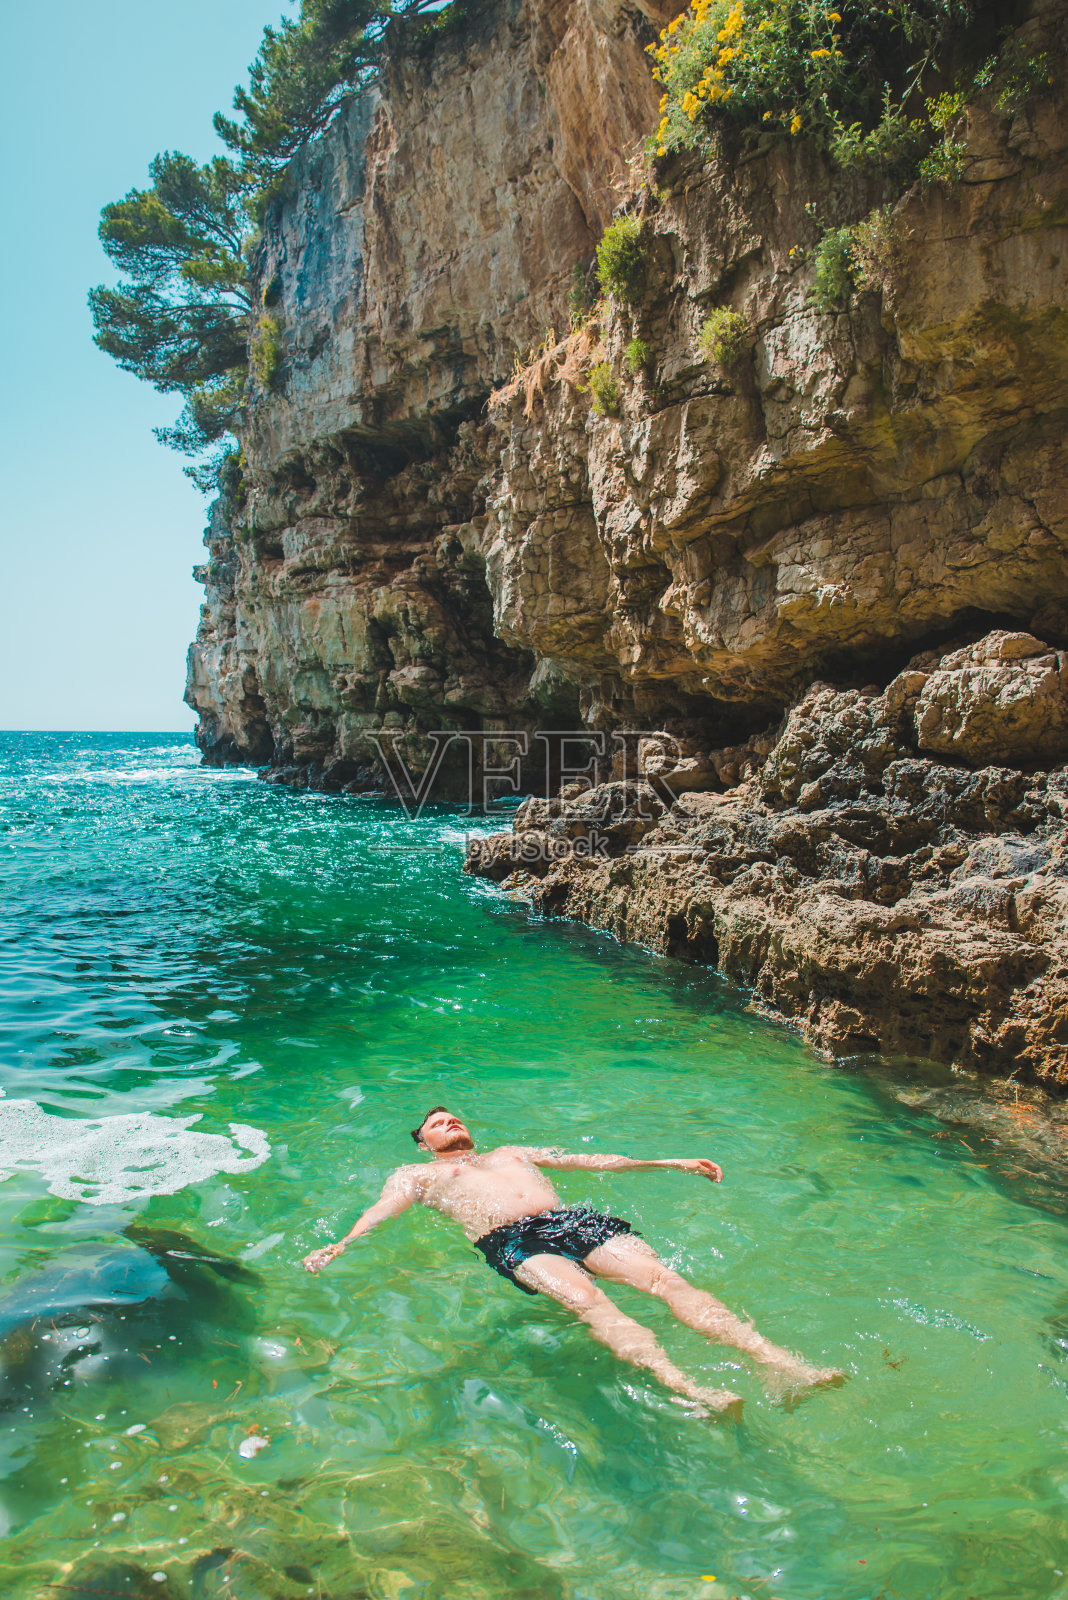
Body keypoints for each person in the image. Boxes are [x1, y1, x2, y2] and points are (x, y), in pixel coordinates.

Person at [303, 1106, 842, 1415]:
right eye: (436, 1123)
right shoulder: (416, 1175)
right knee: (592, 1304)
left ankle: (780, 1364)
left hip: (571, 1221)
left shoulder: (510, 1152)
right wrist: (343, 1242)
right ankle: (691, 1389)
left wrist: (666, 1162)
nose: (448, 1121)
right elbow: (383, 1208)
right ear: (422, 1142)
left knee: (665, 1280)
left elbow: (587, 1160)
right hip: (512, 1240)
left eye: (453, 1117)